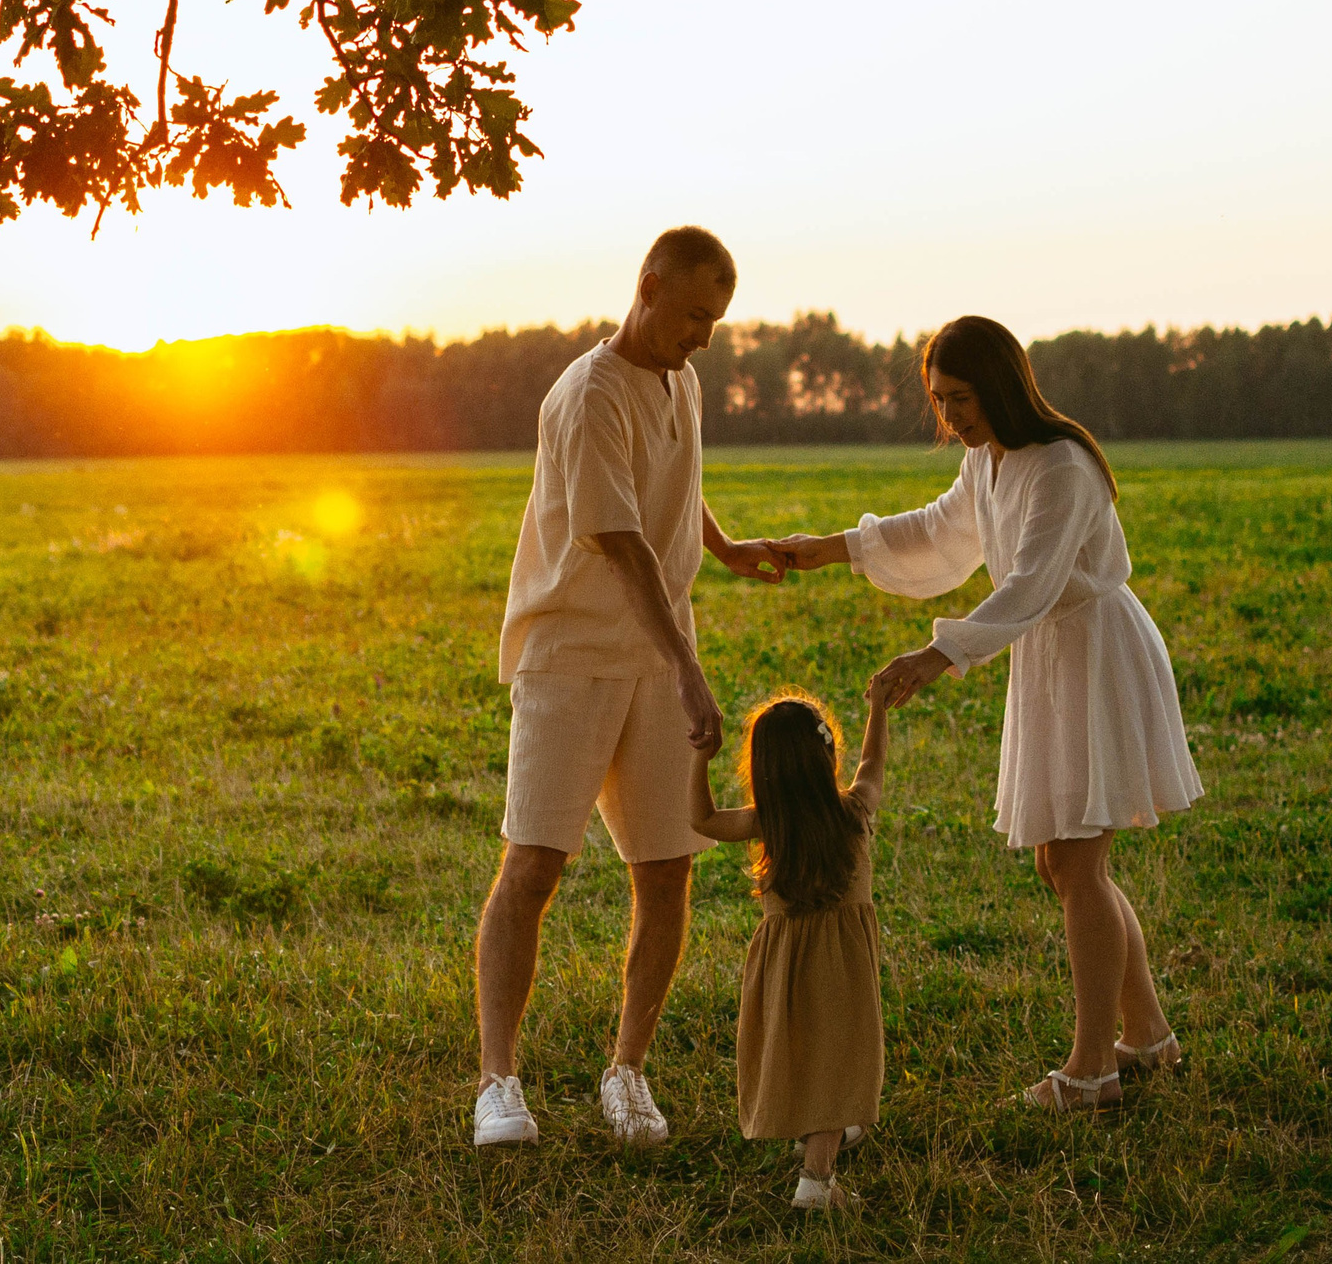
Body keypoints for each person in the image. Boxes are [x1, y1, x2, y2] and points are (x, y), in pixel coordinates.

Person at [767, 315, 1203, 1112]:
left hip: (1094, 652)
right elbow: (939, 532)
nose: (951, 416)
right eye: (939, 400)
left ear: (1002, 383)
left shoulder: (1062, 465)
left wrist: (939, 655)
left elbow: (1032, 583)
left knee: (1076, 866)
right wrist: (829, 546)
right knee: (1066, 865)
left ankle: (1091, 1069)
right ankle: (1148, 1036)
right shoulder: (987, 460)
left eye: (961, 397)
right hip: (1047, 657)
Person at [473, 225, 786, 1149]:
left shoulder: (678, 378)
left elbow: (669, 485)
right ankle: (499, 1083)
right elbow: (620, 539)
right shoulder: (587, 395)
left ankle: (628, 1073)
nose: (706, 336)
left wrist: (722, 547)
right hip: (572, 654)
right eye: (695, 314)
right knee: (534, 865)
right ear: (647, 287)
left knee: (668, 868)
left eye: (717, 320)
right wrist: (689, 671)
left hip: (658, 650)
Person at [688, 686, 891, 1213]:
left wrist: (699, 760)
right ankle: (816, 1183)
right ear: (827, 755)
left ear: (763, 768)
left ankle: (823, 1134)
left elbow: (703, 820)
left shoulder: (766, 822)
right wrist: (877, 710)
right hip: (843, 970)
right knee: (839, 1065)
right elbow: (872, 764)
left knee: (805, 1054)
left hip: (786, 968)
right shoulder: (854, 811)